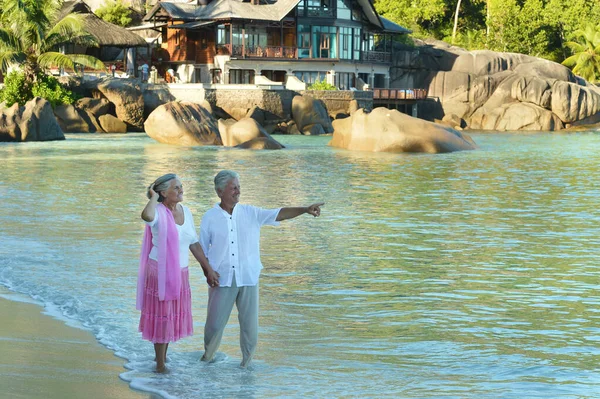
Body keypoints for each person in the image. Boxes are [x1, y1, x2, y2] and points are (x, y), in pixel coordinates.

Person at [199, 170, 324, 367]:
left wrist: (305, 209)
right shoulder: (209, 217)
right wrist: (208, 271)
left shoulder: (251, 213)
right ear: (220, 191)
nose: (238, 191)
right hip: (221, 278)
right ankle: (206, 363)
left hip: (248, 277)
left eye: (239, 187)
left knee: (250, 329)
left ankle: (246, 368)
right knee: (214, 326)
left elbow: (279, 213)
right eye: (234, 188)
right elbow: (202, 248)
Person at [137, 173, 219, 372]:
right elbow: (146, 217)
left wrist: (208, 269)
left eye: (181, 186)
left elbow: (193, 243)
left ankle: (163, 357)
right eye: (176, 187)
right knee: (162, 316)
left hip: (181, 272)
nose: (181, 190)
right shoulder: (157, 211)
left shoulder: (186, 211)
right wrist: (153, 197)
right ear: (164, 192)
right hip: (159, 272)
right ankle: (160, 364)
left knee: (171, 317)